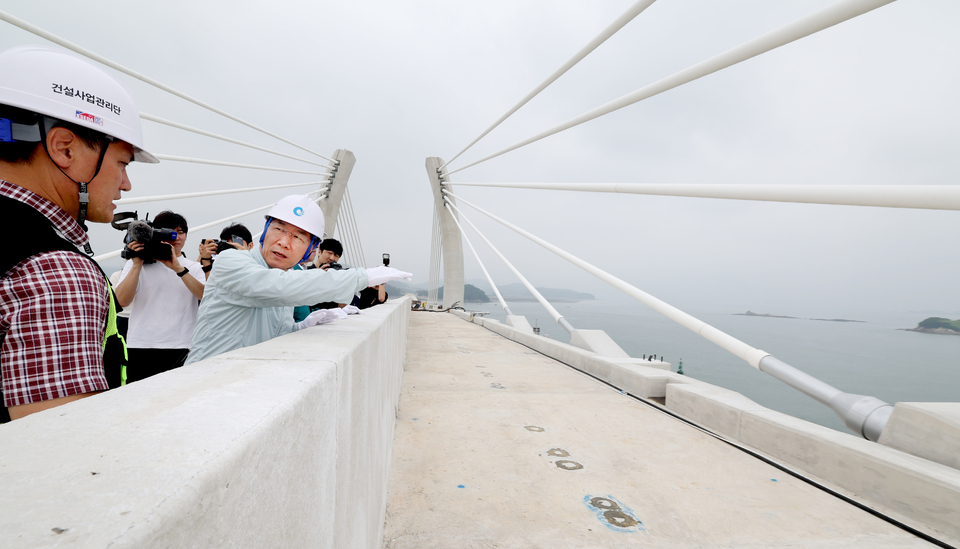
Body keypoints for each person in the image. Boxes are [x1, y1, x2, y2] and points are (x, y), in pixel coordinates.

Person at [0, 45, 158, 421]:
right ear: (65, 149)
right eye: (122, 162)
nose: (126, 184)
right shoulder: (56, 272)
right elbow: (60, 447)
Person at [185, 195, 411, 364]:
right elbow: (277, 287)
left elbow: (271, 334)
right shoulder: (231, 262)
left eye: (298, 237)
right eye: (278, 229)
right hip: (202, 386)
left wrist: (302, 326)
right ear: (264, 231)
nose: (284, 242)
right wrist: (362, 277)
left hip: (242, 385)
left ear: (310, 249)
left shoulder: (287, 276)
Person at [114, 211, 205, 382]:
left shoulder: (193, 268)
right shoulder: (136, 263)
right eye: (169, 231)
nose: (176, 237)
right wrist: (137, 265)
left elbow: (204, 297)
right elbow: (121, 301)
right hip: (141, 344)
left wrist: (178, 269)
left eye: (181, 232)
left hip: (181, 345)